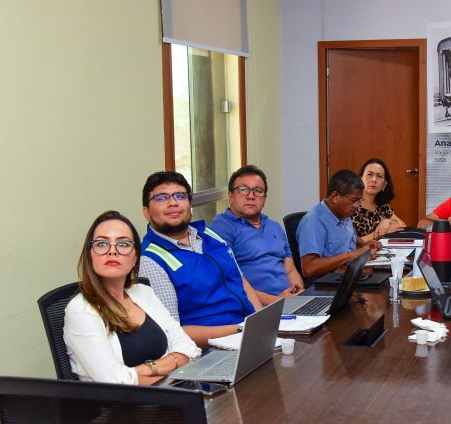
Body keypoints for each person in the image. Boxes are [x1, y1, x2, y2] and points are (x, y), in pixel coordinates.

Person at [64, 211, 201, 385]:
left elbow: (189, 348)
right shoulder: (81, 310)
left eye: (123, 244)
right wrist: (172, 364)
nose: (112, 251)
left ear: (135, 257)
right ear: (90, 254)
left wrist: (145, 370)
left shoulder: (143, 292)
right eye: (101, 244)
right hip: (120, 408)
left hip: (171, 392)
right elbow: (116, 383)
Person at [138, 171, 263, 347]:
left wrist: (262, 321)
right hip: (211, 349)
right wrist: (242, 330)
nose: (173, 203)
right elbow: (172, 331)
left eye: (180, 196)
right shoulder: (150, 260)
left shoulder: (210, 235)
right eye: (161, 198)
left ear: (189, 205)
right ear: (147, 212)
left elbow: (241, 281)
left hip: (249, 335)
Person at [211, 165, 304, 303]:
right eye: (242, 190)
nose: (251, 196)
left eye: (258, 191)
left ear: (264, 199)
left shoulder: (274, 226)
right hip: (256, 309)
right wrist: (278, 301)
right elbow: (228, 283)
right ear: (230, 196)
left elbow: (290, 270)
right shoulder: (221, 229)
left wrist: (299, 295)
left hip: (288, 304)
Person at [297, 169, 381, 280]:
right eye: (354, 200)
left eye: (359, 201)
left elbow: (349, 237)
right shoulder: (312, 222)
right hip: (327, 286)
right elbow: (309, 268)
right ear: (335, 196)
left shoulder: (343, 213)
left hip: (348, 275)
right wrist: (351, 255)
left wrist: (366, 245)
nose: (357, 206)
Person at [352, 158, 407, 242]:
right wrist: (379, 234)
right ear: (361, 179)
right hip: (358, 253)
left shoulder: (382, 204)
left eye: (379, 176)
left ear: (384, 184)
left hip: (381, 252)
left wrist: (387, 221)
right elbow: (350, 244)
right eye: (369, 174)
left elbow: (402, 226)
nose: (374, 180)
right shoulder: (351, 204)